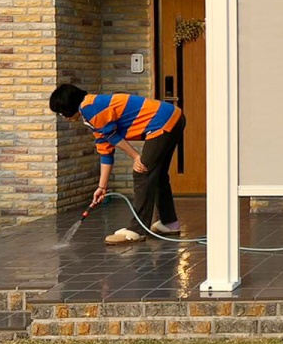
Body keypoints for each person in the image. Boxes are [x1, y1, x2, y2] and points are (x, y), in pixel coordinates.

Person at [49, 84, 186, 244]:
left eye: (60, 112)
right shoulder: (92, 112)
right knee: (158, 174)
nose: (62, 116)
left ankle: (137, 230)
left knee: (142, 172)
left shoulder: (90, 108)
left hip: (162, 121)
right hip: (173, 117)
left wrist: (136, 157)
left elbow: (113, 137)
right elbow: (105, 151)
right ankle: (169, 223)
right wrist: (102, 187)